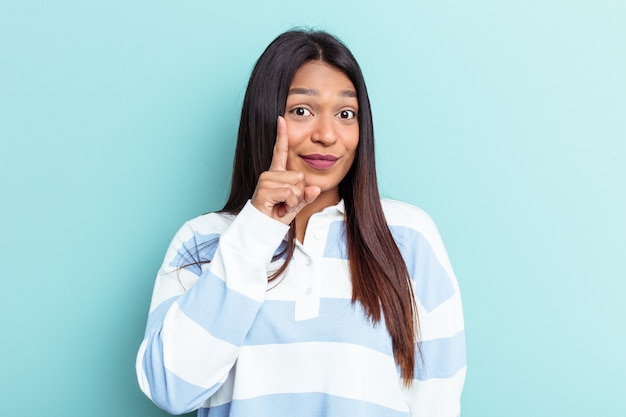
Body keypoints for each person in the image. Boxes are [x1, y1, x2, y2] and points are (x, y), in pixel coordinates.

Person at [136, 29, 466, 417]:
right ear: (265, 115)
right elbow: (170, 388)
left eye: (346, 114)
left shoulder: (407, 236)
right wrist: (256, 229)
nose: (327, 135)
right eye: (301, 111)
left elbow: (437, 402)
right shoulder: (203, 241)